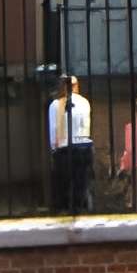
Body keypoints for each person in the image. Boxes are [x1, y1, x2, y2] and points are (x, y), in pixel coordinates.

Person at [46, 74, 94, 216]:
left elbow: (53, 131)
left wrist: (53, 151)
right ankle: (82, 211)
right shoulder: (85, 102)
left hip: (64, 148)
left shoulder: (55, 105)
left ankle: (66, 211)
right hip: (85, 147)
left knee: (64, 185)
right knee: (83, 184)